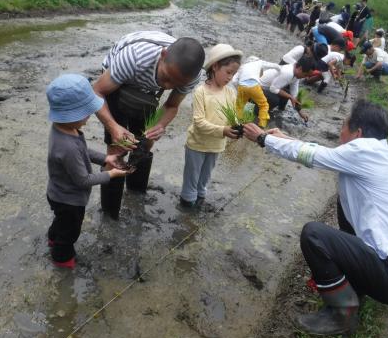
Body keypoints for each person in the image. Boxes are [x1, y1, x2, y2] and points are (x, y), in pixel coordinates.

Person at [243, 100, 388, 336]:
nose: (341, 131)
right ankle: (353, 283)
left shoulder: (364, 151)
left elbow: (314, 156)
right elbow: (325, 155)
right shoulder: (381, 153)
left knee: (314, 235)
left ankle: (342, 313)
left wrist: (263, 138)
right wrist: (284, 139)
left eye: (344, 125)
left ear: (357, 133)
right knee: (345, 200)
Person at [93, 31, 204, 216]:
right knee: (117, 148)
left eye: (176, 84)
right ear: (163, 55)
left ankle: (136, 194)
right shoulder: (134, 57)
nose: (168, 86)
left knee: (144, 143)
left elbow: (171, 105)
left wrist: (161, 125)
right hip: (118, 83)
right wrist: (113, 127)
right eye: (167, 77)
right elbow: (97, 92)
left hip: (148, 94)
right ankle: (110, 210)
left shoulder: (191, 76)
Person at [45, 74, 133, 268]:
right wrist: (111, 174)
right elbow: (83, 181)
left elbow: (83, 150)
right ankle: (62, 259)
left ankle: (52, 239)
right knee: (70, 231)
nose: (89, 117)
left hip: (57, 192)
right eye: (86, 113)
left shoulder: (64, 129)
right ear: (73, 115)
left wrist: (106, 158)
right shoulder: (67, 146)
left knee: (61, 222)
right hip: (69, 200)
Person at [180, 44, 242, 208]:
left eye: (233, 74)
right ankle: (187, 203)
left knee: (205, 177)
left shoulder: (230, 92)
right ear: (215, 67)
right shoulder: (201, 92)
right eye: (228, 72)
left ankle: (199, 199)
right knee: (192, 176)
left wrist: (237, 126)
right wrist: (223, 130)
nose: (230, 78)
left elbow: (232, 116)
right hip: (197, 144)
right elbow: (199, 123)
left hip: (217, 145)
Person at [258, 57, 316, 122]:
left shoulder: (296, 74)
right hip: (257, 88)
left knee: (286, 93)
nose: (305, 77)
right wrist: (290, 97)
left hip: (267, 88)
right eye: (305, 75)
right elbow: (273, 89)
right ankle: (260, 112)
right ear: (300, 69)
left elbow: (294, 95)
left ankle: (279, 112)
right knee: (275, 99)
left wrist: (300, 112)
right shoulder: (288, 72)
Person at [231, 56, 281, 128]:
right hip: (254, 86)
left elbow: (234, 81)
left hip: (242, 86)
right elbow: (274, 65)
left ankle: (238, 123)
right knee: (263, 105)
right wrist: (280, 70)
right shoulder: (259, 62)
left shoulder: (242, 66)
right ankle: (262, 125)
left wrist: (238, 88)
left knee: (240, 105)